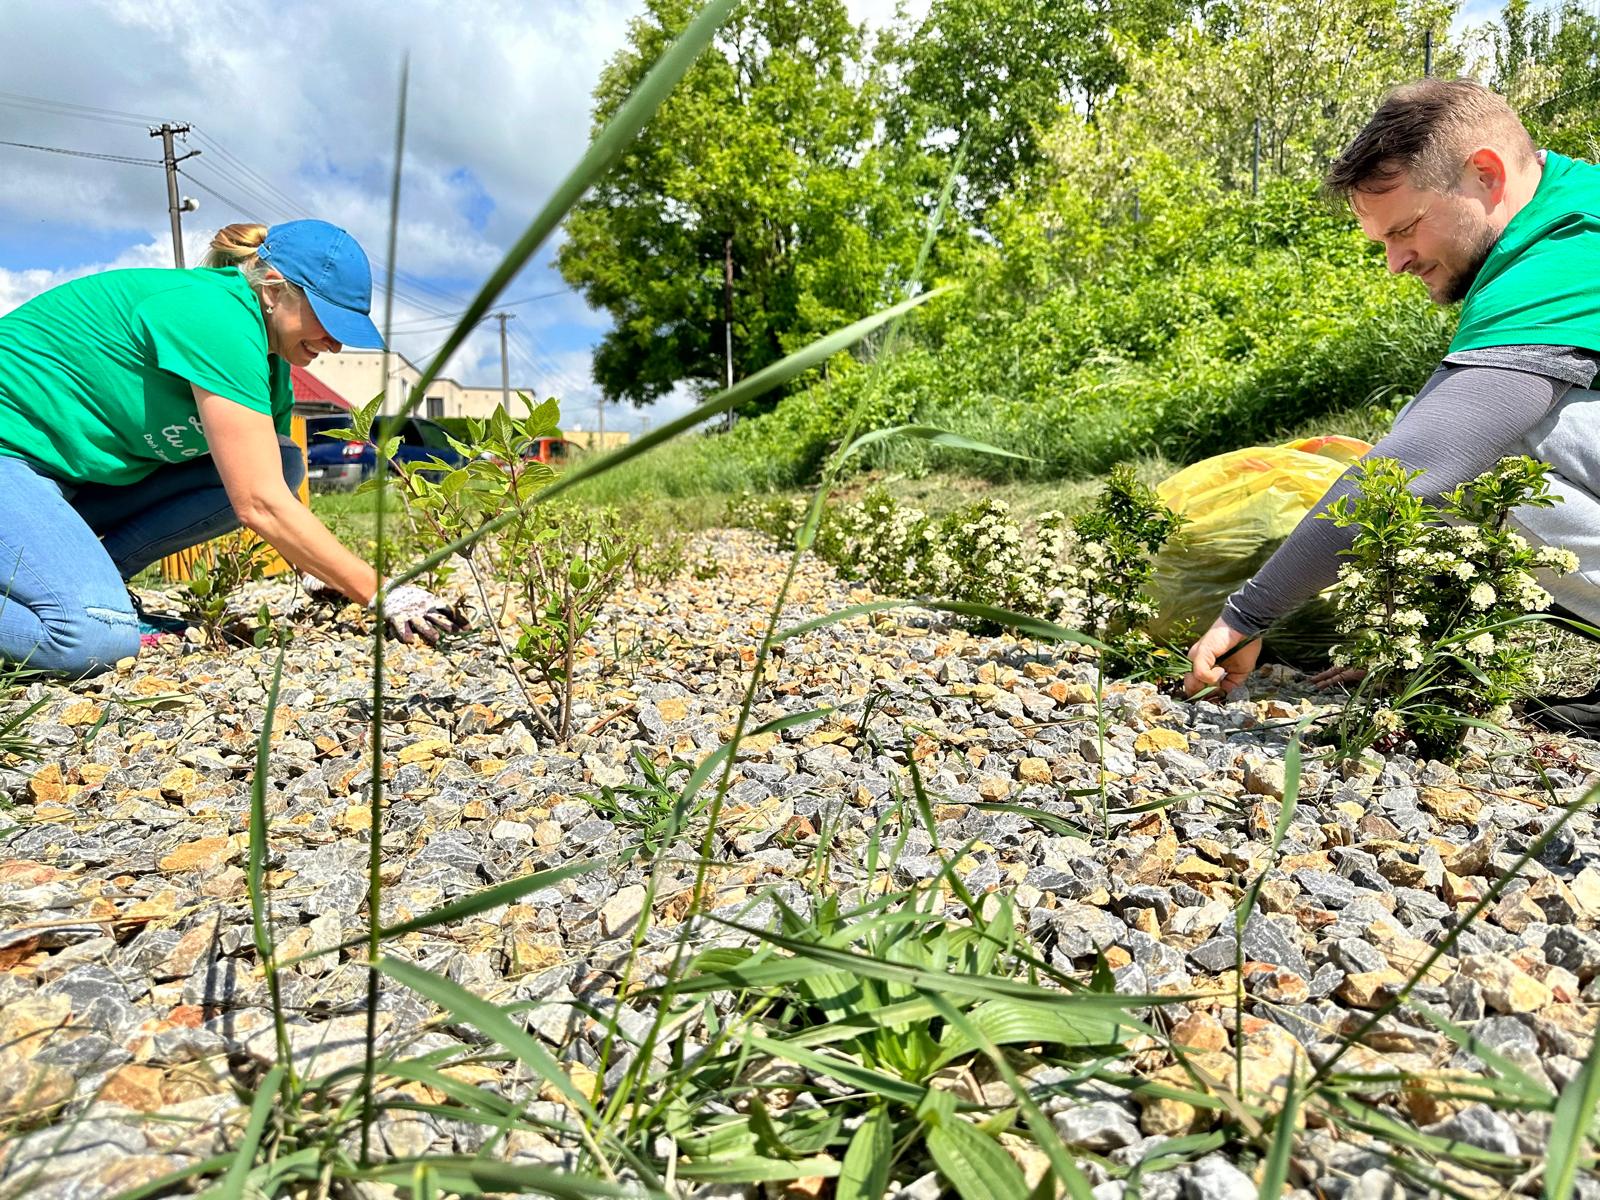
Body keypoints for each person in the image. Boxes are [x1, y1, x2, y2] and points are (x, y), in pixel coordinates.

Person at [1182, 78, 1600, 736]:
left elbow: (1417, 465)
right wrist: (1415, 641)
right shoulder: (1572, 199)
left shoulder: (1565, 253)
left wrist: (1245, 616)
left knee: (1491, 454)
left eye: (1405, 229)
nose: (1395, 263)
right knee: (1470, 430)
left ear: (1484, 173)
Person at [0, 219, 465, 677]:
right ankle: (90, 604)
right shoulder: (215, 315)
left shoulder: (271, 368)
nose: (336, 343)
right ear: (274, 290)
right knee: (89, 637)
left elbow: (268, 482)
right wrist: (385, 593)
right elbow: (257, 503)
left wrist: (310, 566)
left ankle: (103, 584)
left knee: (284, 462)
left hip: (69, 482)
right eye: (328, 320)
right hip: (12, 457)